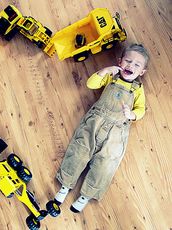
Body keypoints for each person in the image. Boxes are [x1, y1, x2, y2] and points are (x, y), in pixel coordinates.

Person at [54, 43, 149, 213]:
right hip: (96, 121)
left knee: (106, 162)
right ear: (120, 62)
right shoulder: (111, 77)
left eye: (137, 65)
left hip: (117, 130)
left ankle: (86, 195)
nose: (131, 66)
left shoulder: (138, 89)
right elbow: (92, 84)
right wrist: (105, 71)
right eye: (128, 61)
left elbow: (141, 109)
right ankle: (65, 185)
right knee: (80, 150)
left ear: (141, 72)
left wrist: (132, 115)